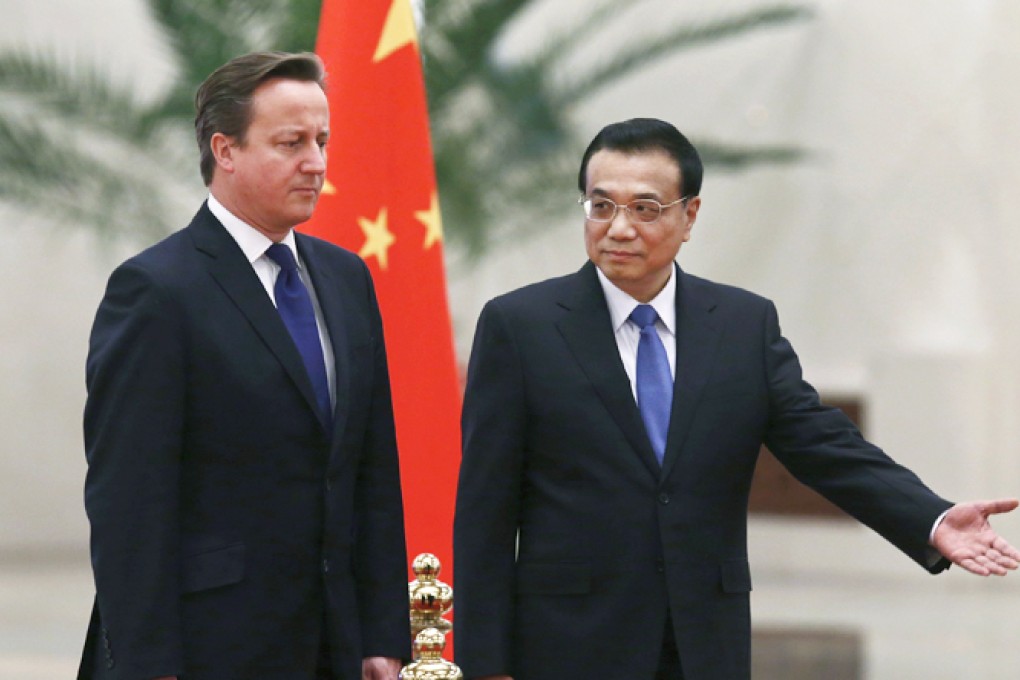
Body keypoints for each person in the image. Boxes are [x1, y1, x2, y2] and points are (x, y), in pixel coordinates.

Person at [452, 117, 1020, 680]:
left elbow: (823, 444)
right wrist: (485, 663)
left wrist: (932, 517)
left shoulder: (742, 325)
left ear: (689, 215)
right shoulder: (521, 326)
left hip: (703, 638)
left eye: (644, 209)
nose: (618, 228)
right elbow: (486, 510)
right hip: (568, 641)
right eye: (601, 206)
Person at [78, 52, 410, 680]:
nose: (315, 161)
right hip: (211, 646)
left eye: (322, 140)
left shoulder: (345, 279)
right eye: (291, 143)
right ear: (224, 150)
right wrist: (150, 663)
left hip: (336, 644)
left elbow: (370, 468)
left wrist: (382, 632)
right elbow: (129, 502)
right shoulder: (155, 290)